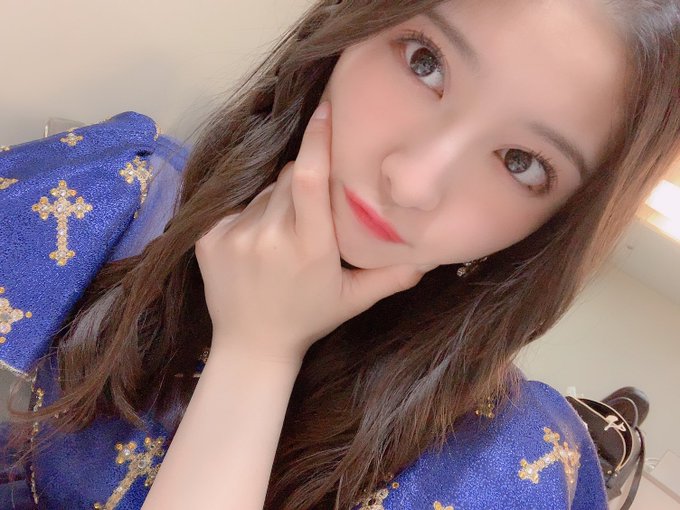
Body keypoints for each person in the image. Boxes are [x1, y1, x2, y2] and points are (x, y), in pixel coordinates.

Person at [1, 0, 678, 508]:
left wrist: (258, 351)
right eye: (425, 62)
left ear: (560, 222)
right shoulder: (104, 199)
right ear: (353, 27)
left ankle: (611, 430)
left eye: (521, 161)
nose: (412, 182)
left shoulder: (509, 470)